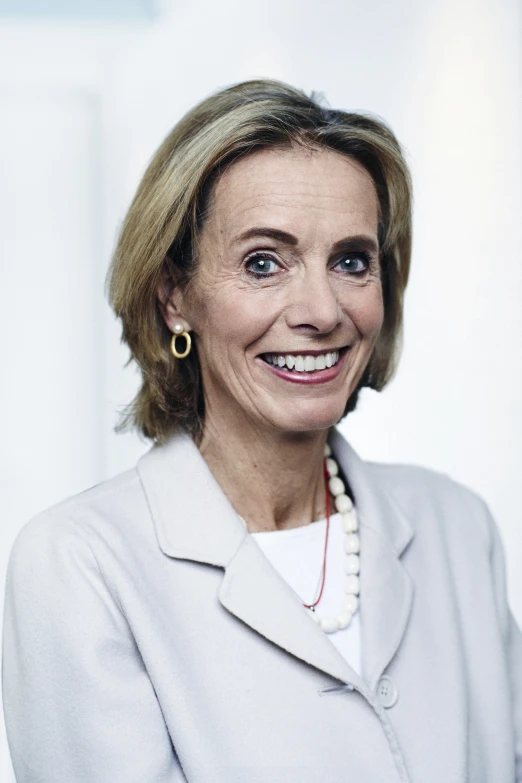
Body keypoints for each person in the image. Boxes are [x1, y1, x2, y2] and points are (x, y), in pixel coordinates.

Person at [2, 79, 521, 783]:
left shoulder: (458, 528)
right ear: (174, 298)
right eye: (263, 263)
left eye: (351, 260)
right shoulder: (80, 564)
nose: (321, 309)